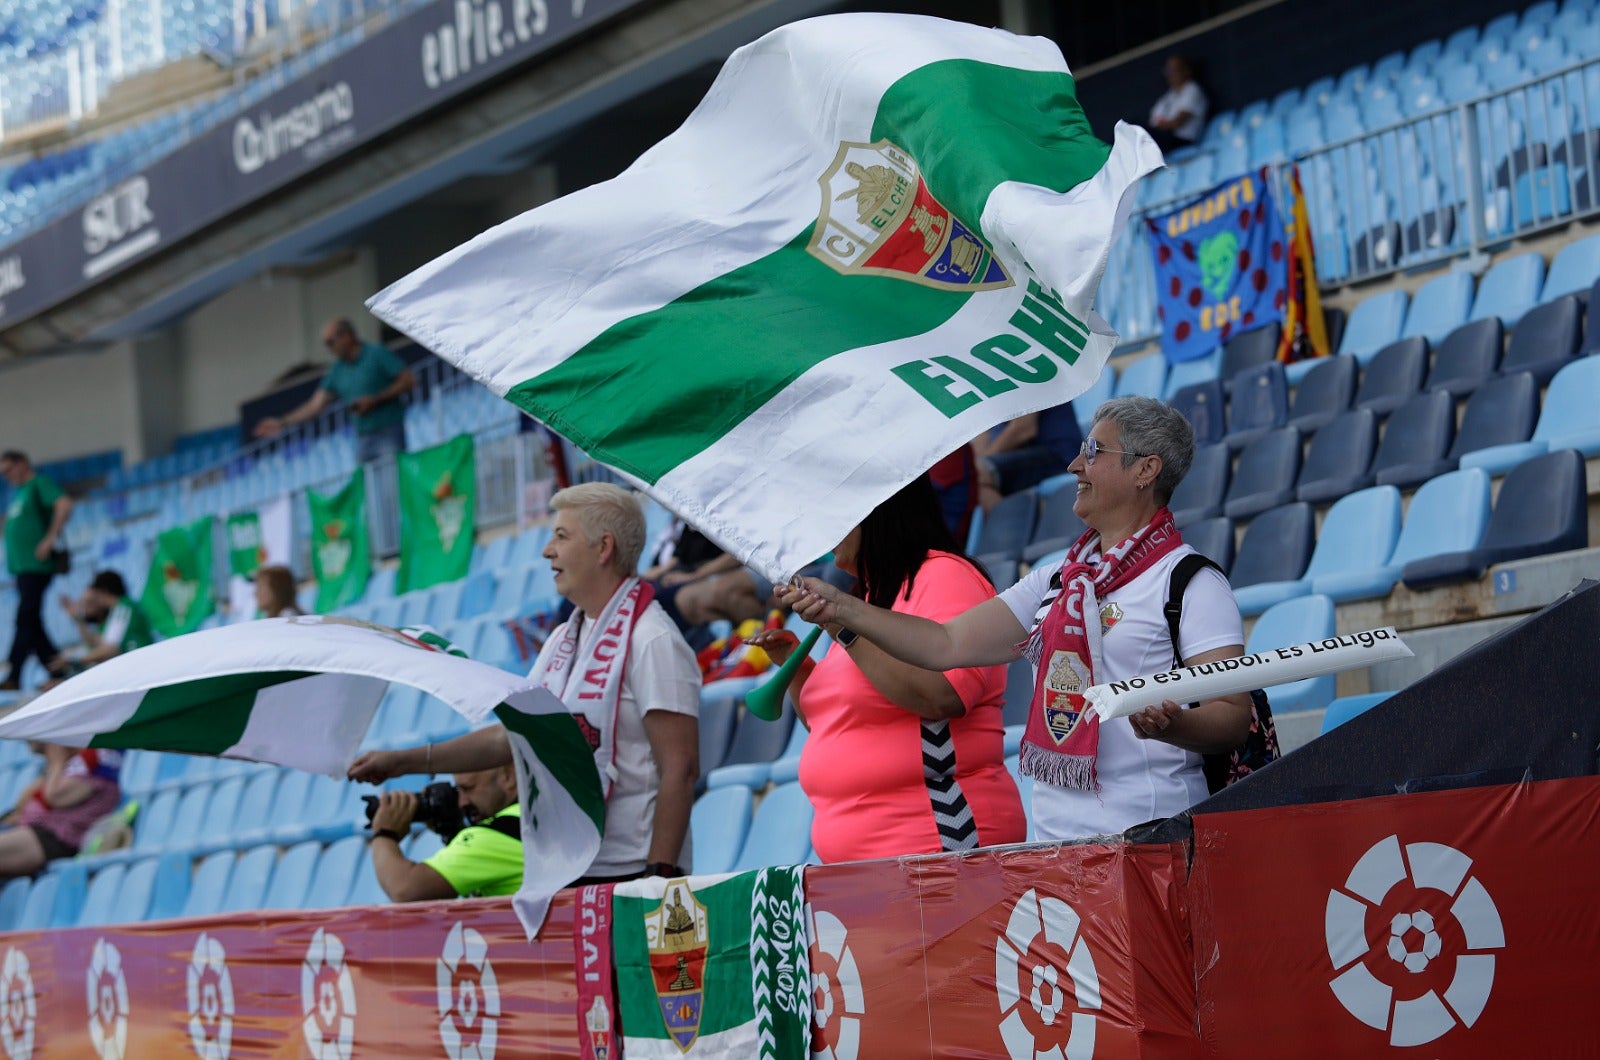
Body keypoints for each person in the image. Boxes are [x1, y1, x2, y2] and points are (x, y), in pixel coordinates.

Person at [780, 397, 1251, 841]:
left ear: (1146, 470)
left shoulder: (1190, 580)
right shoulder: (1057, 580)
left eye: (1093, 451)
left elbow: (1231, 717)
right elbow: (944, 644)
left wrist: (1174, 727)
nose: (1074, 466)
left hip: (1152, 835)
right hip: (1056, 843)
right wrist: (844, 611)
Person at [350, 482, 700, 882]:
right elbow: (514, 737)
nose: (546, 549)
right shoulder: (563, 640)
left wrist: (657, 877)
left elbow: (681, 768)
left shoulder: (652, 638)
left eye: (561, 537)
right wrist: (402, 762)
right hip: (568, 867)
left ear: (603, 548)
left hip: (630, 874)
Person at [749, 475, 1024, 863]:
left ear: (877, 510)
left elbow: (940, 694)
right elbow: (841, 726)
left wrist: (842, 624)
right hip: (869, 872)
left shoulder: (945, 575)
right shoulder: (870, 598)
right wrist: (795, 670)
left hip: (938, 841)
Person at [253, 318, 414, 464]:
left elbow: (409, 380)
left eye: (330, 342)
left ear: (347, 336)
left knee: (392, 488)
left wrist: (376, 399)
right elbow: (315, 406)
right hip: (363, 438)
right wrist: (282, 422)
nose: (329, 348)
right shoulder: (336, 370)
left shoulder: (376, 353)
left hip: (389, 432)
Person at [365, 765, 523, 901]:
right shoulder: (530, 820)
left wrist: (384, 833)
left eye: (468, 788)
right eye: (458, 791)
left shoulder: (495, 836)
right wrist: (452, 832)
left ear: (508, 776)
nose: (462, 802)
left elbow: (405, 889)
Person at [2, 450, 73, 691]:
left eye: (8, 470)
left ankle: (14, 672)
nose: (6, 476)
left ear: (22, 464)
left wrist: (49, 539)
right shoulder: (18, 494)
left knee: (25, 617)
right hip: (23, 567)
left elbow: (64, 504)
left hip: (36, 565)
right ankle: (58, 670)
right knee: (33, 621)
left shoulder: (38, 484)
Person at [0, 743, 123, 876]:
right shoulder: (70, 766)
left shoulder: (96, 759)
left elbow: (56, 797)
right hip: (35, 832)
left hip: (55, 839)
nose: (27, 739)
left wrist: (56, 762)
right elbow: (24, 802)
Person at [971, 404, 1084, 511]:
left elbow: (1024, 429)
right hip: (1019, 456)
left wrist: (983, 467)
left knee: (976, 474)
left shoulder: (1031, 383)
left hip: (1059, 455)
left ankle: (1012, 528)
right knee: (971, 476)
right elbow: (982, 436)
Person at [47, 571, 153, 680]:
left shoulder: (124, 607)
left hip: (140, 669)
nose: (92, 602)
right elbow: (96, 644)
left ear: (103, 592)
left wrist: (74, 661)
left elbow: (109, 650)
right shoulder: (116, 613)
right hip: (134, 669)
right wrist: (77, 619)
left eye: (93, 596)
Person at [1148, 54, 1208, 152]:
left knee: (1136, 126)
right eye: (1168, 71)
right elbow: (1154, 124)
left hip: (1184, 141)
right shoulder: (1167, 97)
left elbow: (1178, 122)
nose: (1171, 74)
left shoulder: (1192, 89)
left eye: (1175, 69)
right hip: (1165, 139)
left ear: (1187, 71)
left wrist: (1163, 126)